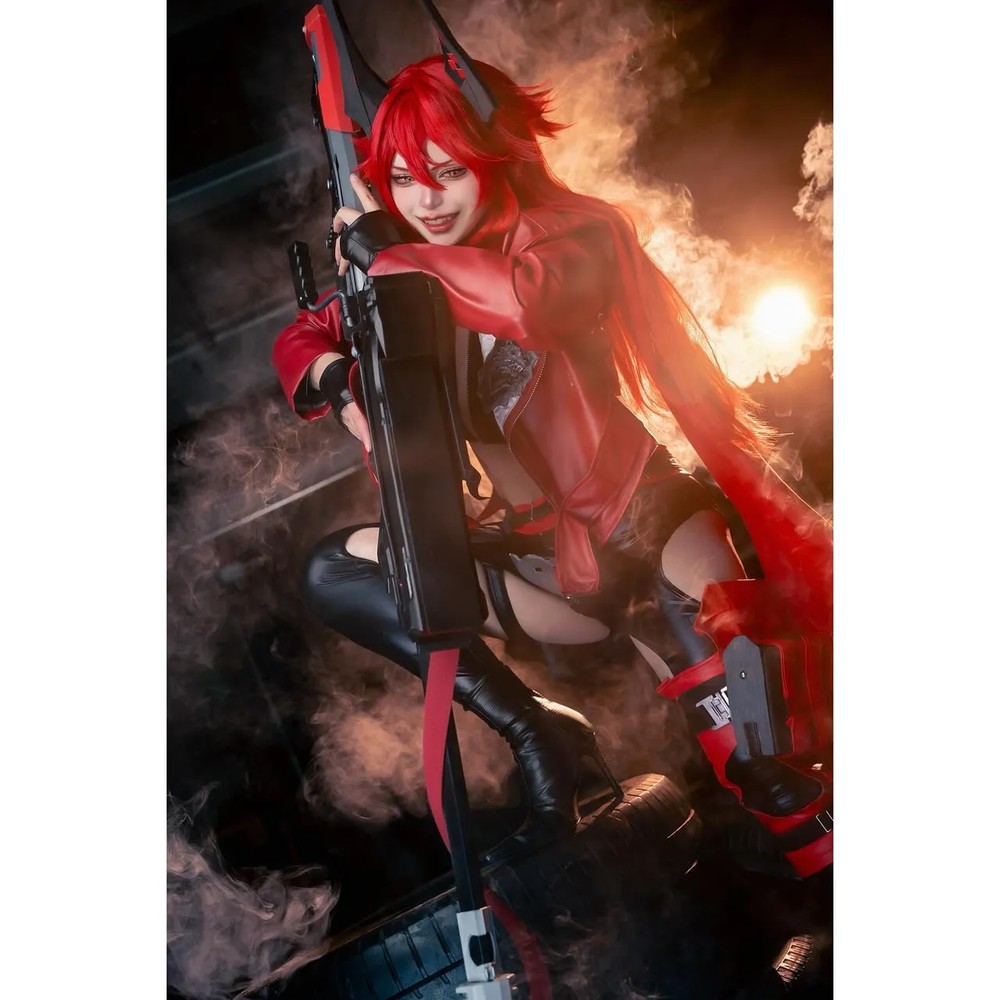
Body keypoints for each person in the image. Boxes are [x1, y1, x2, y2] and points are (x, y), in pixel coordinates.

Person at [272, 56, 831, 868]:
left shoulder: (564, 233)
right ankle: (540, 732)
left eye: (448, 173)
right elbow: (303, 336)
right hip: (541, 561)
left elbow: (525, 300)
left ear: (493, 158)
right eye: (402, 179)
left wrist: (388, 258)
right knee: (335, 571)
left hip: (641, 519)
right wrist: (339, 381)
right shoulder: (396, 272)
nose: (427, 201)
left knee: (769, 764)